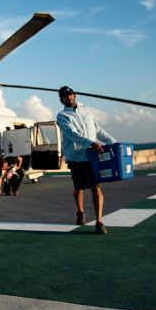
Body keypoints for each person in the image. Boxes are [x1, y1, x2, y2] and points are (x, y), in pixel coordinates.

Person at [56, 86, 116, 234]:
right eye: (65, 96)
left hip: (92, 156)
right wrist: (91, 143)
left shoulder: (86, 110)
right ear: (61, 100)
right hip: (76, 157)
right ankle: (80, 211)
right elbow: (72, 133)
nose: (68, 97)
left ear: (74, 95)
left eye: (70, 94)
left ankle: (99, 222)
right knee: (79, 188)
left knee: (96, 187)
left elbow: (97, 129)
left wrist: (112, 142)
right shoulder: (62, 116)